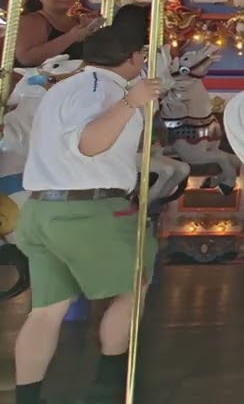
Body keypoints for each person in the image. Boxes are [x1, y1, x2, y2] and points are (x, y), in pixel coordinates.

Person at [13, 23, 162, 404]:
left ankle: (29, 397)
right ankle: (107, 382)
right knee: (134, 286)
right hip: (88, 210)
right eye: (142, 56)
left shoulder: (63, 86)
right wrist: (132, 103)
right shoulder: (108, 90)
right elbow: (89, 144)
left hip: (42, 211)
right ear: (133, 57)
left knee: (46, 310)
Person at [14, 0, 102, 68]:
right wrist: (72, 37)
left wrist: (92, 28)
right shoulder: (31, 21)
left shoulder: (76, 20)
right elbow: (26, 59)